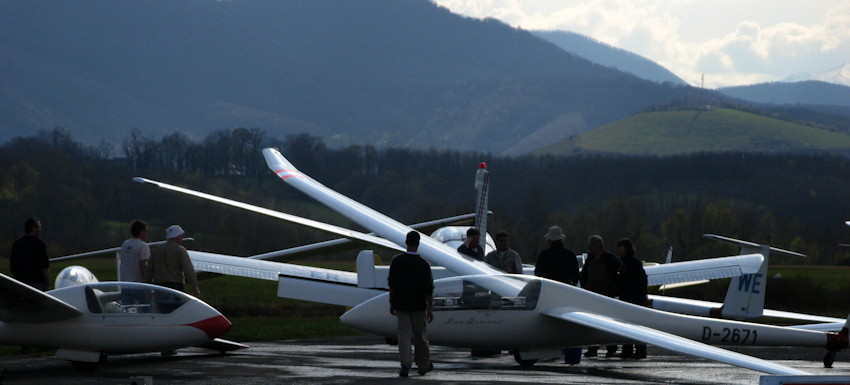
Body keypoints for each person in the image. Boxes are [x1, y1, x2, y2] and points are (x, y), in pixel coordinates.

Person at [388, 231, 434, 377]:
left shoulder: (397, 262)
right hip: (419, 305)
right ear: (418, 243)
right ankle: (423, 364)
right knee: (420, 335)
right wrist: (430, 308)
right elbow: (428, 289)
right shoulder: (423, 264)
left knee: (403, 334)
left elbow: (392, 284)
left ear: (406, 242)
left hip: (401, 303)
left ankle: (405, 364)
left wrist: (392, 303)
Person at [580, 234, 621, 358]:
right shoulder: (590, 259)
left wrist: (614, 289)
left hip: (606, 294)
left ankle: (611, 348)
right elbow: (584, 274)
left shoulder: (609, 259)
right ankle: (593, 348)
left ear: (596, 246)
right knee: (592, 323)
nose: (589, 248)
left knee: (609, 322)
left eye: (591, 245)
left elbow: (617, 275)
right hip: (592, 294)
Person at [145, 225, 200, 297]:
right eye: (181, 236)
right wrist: (195, 287)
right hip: (175, 286)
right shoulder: (180, 250)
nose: (182, 238)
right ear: (176, 236)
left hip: (159, 287)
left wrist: (147, 285)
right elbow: (188, 270)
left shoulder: (156, 250)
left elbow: (149, 270)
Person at [616, 237, 648, 359]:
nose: (619, 250)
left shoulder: (632, 263)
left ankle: (640, 350)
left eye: (620, 247)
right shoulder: (624, 262)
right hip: (627, 297)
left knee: (635, 324)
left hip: (634, 297)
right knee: (626, 324)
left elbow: (641, 280)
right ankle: (627, 349)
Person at [9, 218, 51, 291]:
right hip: (37, 284)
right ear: (33, 228)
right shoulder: (40, 244)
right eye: (39, 227)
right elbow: (45, 266)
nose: (40, 229)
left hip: (19, 284)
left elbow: (12, 266)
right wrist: (47, 285)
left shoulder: (17, 244)